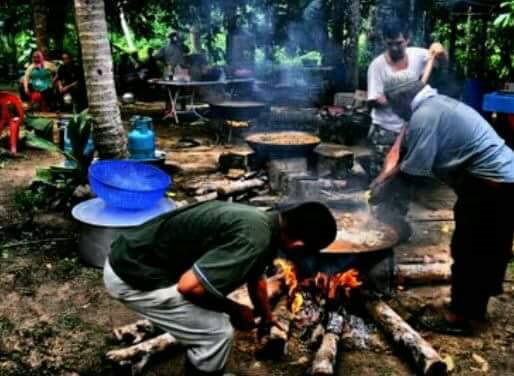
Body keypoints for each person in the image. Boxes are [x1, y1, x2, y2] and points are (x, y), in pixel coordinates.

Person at [103, 200, 337, 375]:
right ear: (298, 243)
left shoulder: (264, 222)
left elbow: (256, 278)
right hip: (132, 275)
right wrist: (235, 309)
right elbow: (189, 287)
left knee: (211, 310)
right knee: (216, 333)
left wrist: (267, 317)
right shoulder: (254, 238)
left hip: (138, 258)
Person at [370, 71, 514, 335]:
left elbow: (415, 175)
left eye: (393, 105)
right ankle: (474, 307)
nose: (394, 112)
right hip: (504, 179)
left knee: (469, 248)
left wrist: (383, 196)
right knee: (489, 246)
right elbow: (405, 156)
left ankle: (458, 318)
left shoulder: (425, 116)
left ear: (402, 97)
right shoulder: (437, 105)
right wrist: (383, 179)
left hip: (491, 185)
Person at [367, 20, 447, 179]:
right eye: (390, 44)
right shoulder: (377, 66)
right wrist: (401, 99)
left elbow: (442, 62)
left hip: (411, 130)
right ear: (384, 41)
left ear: (407, 39)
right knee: (381, 180)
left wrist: (441, 52)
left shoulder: (418, 54)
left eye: (399, 43)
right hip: (386, 131)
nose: (395, 48)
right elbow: (373, 100)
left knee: (406, 180)